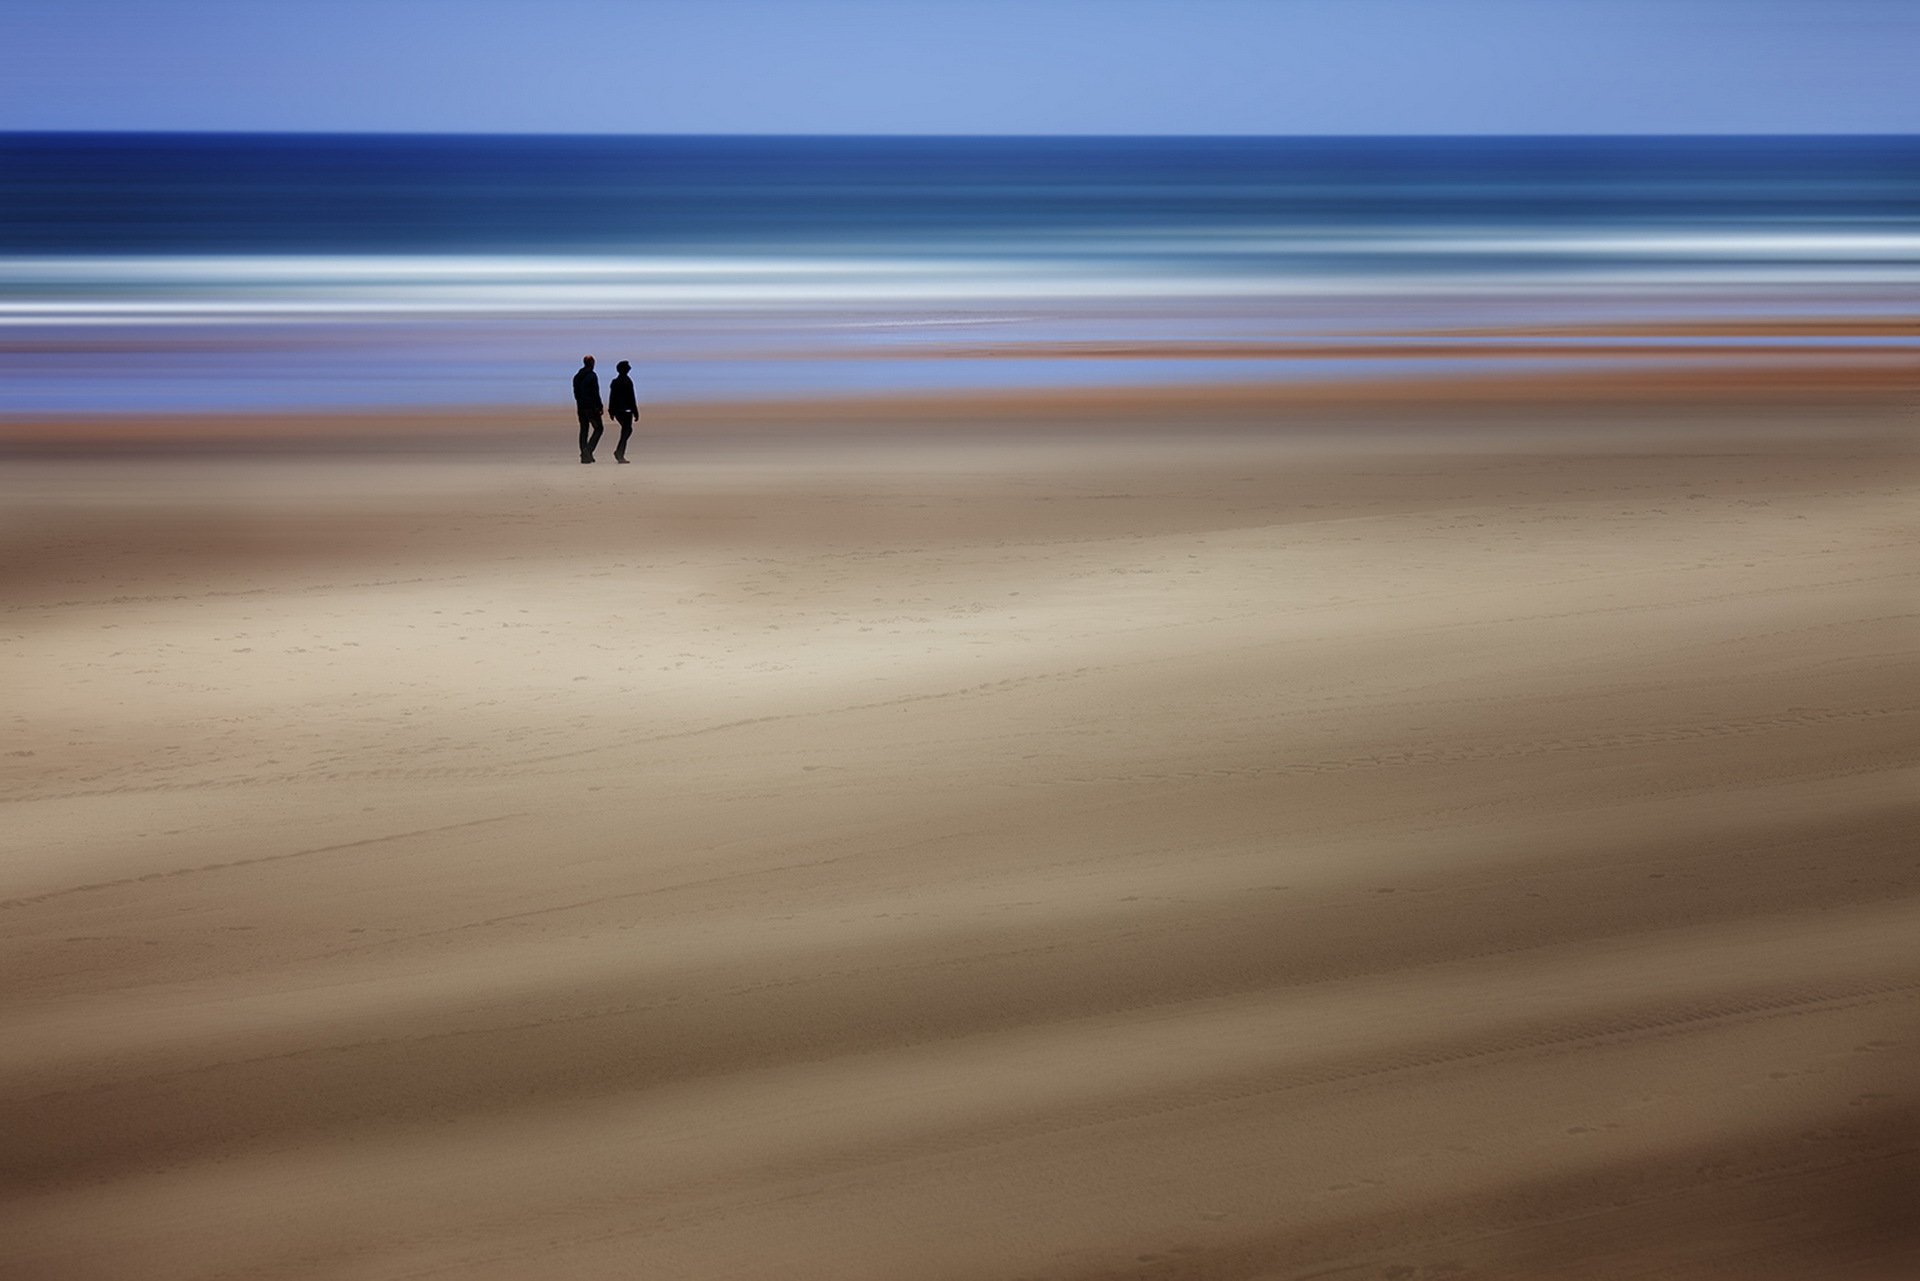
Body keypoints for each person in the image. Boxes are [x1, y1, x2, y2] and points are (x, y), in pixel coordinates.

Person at [572, 355, 604, 463]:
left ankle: (585, 454)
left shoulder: (577, 376)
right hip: (590, 407)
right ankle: (587, 451)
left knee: (584, 430)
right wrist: (599, 406)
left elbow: (576, 393)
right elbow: (595, 393)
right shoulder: (592, 376)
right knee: (599, 428)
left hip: (581, 406)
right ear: (592, 363)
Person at [608, 360, 638, 464]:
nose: (630, 368)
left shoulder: (615, 381)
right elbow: (631, 397)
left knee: (626, 431)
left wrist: (611, 411)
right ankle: (619, 453)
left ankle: (619, 453)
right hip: (625, 411)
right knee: (627, 430)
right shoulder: (627, 381)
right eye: (628, 366)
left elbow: (612, 397)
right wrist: (635, 411)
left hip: (618, 410)